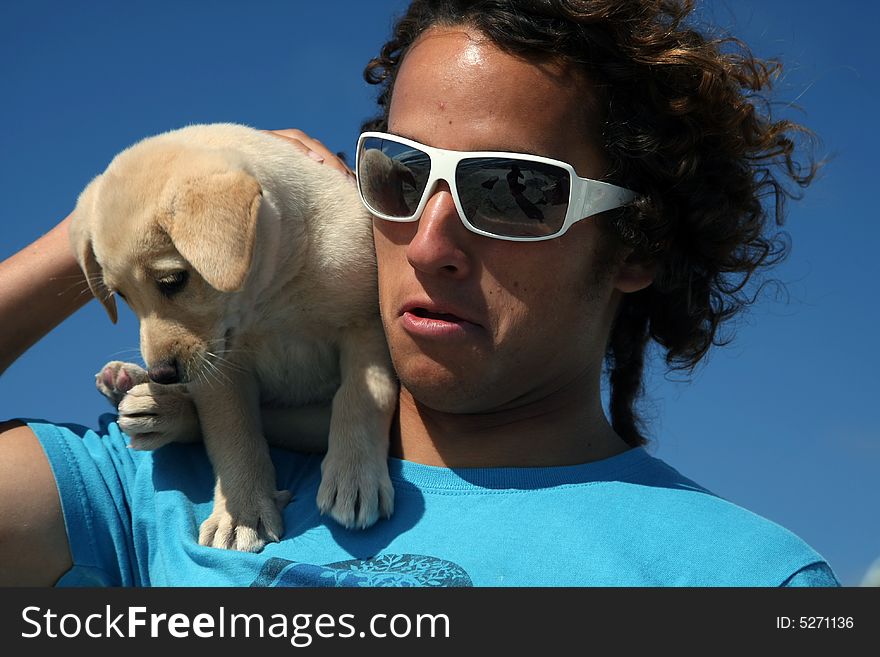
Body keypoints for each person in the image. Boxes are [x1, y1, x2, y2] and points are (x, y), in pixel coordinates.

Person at [0, 0, 838, 586]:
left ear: (637, 243)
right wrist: (121, 217)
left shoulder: (743, 579)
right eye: (399, 177)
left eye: (512, 190)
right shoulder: (162, 480)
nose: (430, 243)